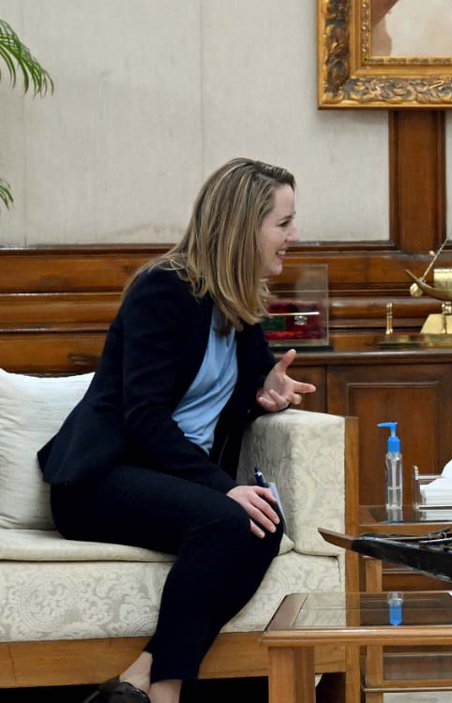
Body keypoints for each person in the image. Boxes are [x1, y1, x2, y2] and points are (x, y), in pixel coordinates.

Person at [38, 158, 316, 703]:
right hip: (100, 481)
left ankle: (141, 679)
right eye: (283, 224)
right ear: (243, 226)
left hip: (170, 479)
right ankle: (165, 689)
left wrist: (267, 395)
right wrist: (222, 486)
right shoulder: (162, 291)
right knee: (230, 515)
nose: (293, 236)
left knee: (263, 522)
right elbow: (144, 418)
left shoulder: (239, 303)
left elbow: (242, 387)